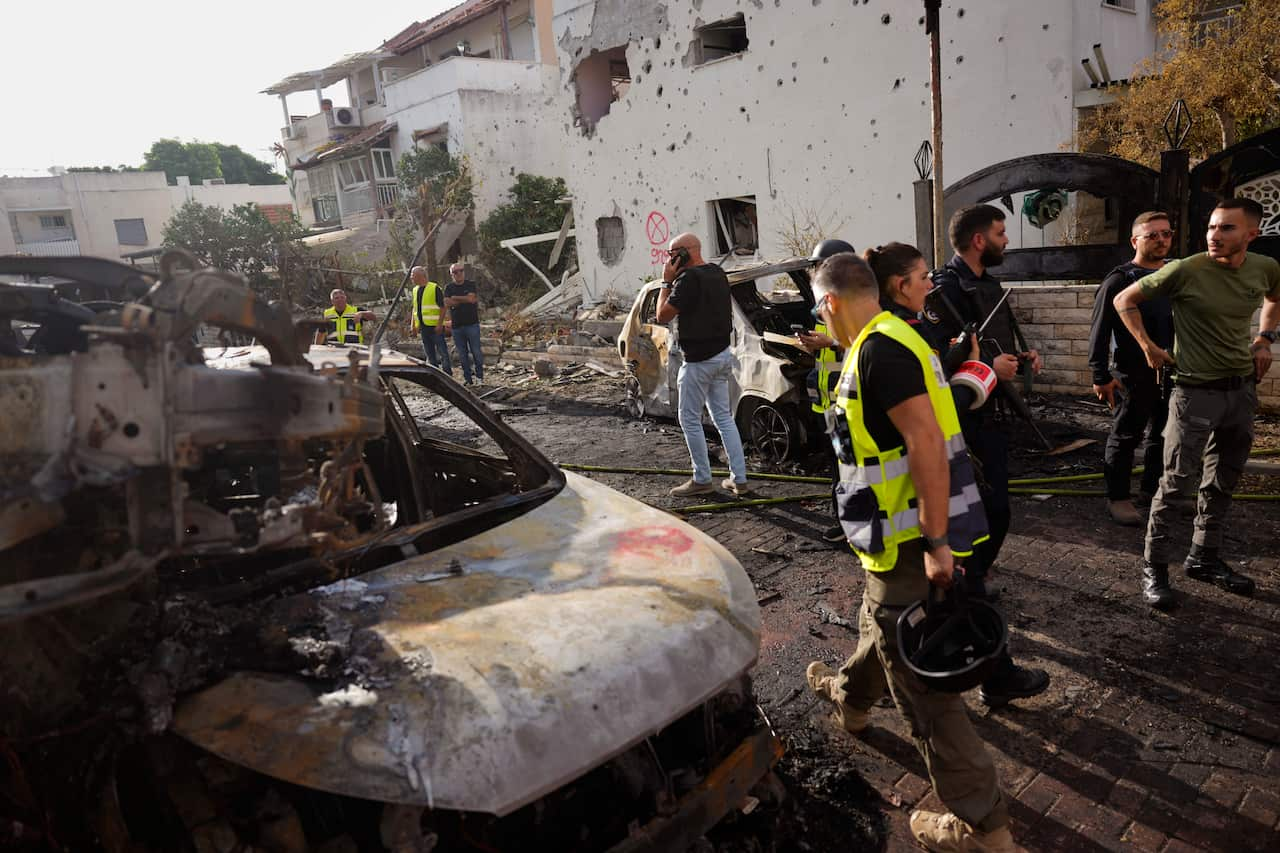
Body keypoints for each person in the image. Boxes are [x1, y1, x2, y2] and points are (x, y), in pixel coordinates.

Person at [810, 252, 1014, 853]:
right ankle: (849, 700)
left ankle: (984, 830)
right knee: (880, 621)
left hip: (908, 540)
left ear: (829, 302)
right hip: (890, 540)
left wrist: (935, 544)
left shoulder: (880, 351)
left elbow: (924, 443)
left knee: (922, 687)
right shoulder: (890, 338)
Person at [1114, 197, 1279, 609]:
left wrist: (1264, 339)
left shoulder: (1266, 268)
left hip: (1240, 392)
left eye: (1225, 229)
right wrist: (1149, 347)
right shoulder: (1185, 269)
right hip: (1194, 393)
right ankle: (1155, 566)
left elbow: (1274, 299)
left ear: (1251, 234)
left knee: (1224, 479)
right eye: (1211, 227)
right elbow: (1124, 301)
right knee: (1175, 484)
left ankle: (1203, 557)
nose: (1213, 236)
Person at [927, 205, 1042, 607]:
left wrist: (1021, 358)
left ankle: (971, 578)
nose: (1006, 239)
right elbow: (935, 359)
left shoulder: (989, 285)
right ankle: (961, 586)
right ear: (979, 241)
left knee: (996, 512)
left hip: (993, 412)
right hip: (960, 416)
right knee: (973, 513)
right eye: (1000, 232)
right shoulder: (941, 291)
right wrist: (986, 366)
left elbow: (997, 340)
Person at [1087, 212, 1175, 526]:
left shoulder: (1175, 275)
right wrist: (1100, 374)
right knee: (1126, 436)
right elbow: (1098, 331)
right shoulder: (1120, 280)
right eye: (1152, 235)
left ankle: (1152, 493)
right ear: (1135, 241)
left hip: (1172, 373)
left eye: (1166, 234)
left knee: (1163, 437)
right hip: (1132, 373)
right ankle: (1119, 498)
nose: (1161, 240)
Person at [656, 232, 752, 497]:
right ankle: (739, 479)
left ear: (684, 253)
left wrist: (666, 281)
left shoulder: (687, 280)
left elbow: (662, 315)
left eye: (672, 255)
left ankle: (701, 478)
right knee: (723, 417)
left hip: (698, 362)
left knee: (689, 419)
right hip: (722, 356)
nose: (670, 260)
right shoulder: (716, 273)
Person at [796, 238, 857, 545]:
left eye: (818, 266)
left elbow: (862, 342)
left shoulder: (854, 304)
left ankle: (853, 524)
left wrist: (830, 343)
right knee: (837, 468)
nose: (815, 272)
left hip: (848, 404)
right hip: (826, 404)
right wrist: (813, 346)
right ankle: (843, 521)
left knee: (850, 468)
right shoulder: (823, 307)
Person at [445, 262, 485, 386]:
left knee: (476, 352)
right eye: (455, 272)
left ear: (464, 271)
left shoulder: (470, 284)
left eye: (460, 271)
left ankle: (479, 377)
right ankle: (468, 379)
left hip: (472, 324)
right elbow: (447, 302)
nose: (458, 274)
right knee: (462, 355)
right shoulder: (448, 287)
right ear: (451, 275)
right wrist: (464, 298)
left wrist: (455, 298)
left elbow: (472, 299)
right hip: (457, 327)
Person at [409, 266, 452, 374]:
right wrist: (413, 326)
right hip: (423, 328)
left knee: (443, 353)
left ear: (420, 276)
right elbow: (414, 309)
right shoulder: (415, 290)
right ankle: (435, 376)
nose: (411, 278)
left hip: (435, 328)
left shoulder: (434, 288)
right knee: (430, 354)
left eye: (412, 276)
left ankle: (447, 374)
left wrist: (439, 324)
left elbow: (443, 307)